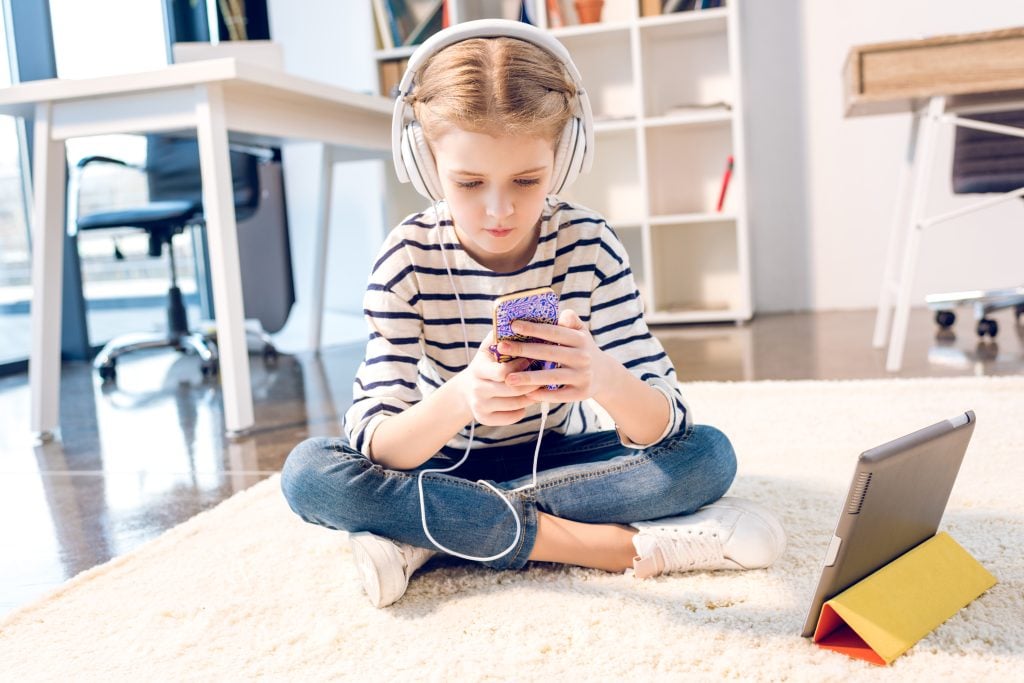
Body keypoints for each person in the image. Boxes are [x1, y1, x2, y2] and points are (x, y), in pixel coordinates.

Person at [281, 20, 785, 608]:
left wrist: (601, 376)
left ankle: (427, 537)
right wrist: (462, 397)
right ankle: (613, 548)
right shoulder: (406, 258)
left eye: (527, 179)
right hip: (434, 463)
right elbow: (378, 446)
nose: (499, 210)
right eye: (468, 182)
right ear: (425, 162)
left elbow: (666, 426)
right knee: (310, 473)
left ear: (564, 157)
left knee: (707, 458)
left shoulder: (589, 244)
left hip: (554, 460)